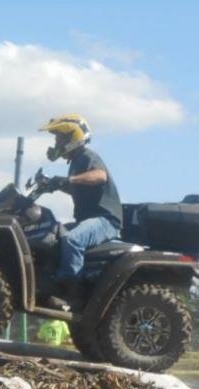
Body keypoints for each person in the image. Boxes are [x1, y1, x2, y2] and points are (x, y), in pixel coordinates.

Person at [38, 114, 123, 308]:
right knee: (51, 235)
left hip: (106, 220)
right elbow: (76, 186)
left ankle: (70, 292)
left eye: (59, 138)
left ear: (72, 138)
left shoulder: (87, 156)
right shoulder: (75, 162)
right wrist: (55, 184)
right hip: (88, 219)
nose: (56, 143)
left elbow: (99, 176)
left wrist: (69, 180)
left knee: (72, 239)